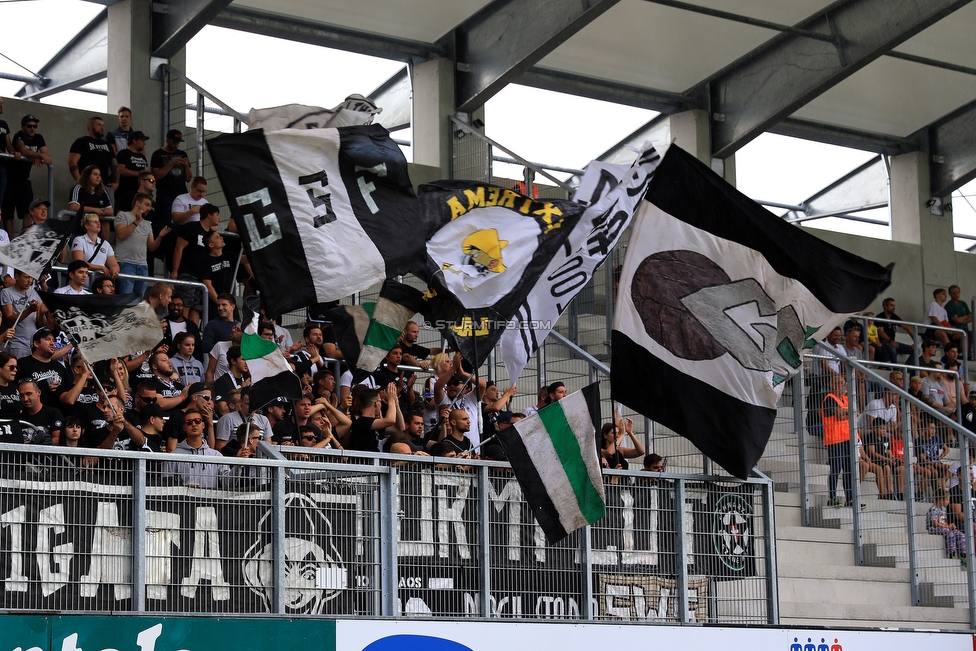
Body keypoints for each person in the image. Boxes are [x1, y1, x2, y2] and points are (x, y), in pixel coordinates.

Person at [171, 203, 220, 324]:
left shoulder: (210, 235)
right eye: (217, 215)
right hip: (188, 273)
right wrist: (175, 270)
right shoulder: (191, 227)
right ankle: (181, 333)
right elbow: (179, 248)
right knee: (185, 304)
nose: (219, 218)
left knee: (197, 307)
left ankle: (193, 335)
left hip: (201, 277)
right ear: (209, 215)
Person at [114, 191, 170, 296]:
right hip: (125, 263)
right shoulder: (123, 215)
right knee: (124, 299)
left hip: (143, 266)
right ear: (137, 203)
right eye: (147, 205)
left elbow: (151, 247)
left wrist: (160, 237)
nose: (149, 208)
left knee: (138, 302)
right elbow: (120, 235)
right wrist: (137, 221)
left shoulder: (147, 224)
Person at [6, 115, 52, 235]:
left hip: (24, 180)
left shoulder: (38, 138)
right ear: (23, 127)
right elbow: (23, 150)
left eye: (35, 126)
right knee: (8, 213)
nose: (32, 129)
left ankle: (25, 239)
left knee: (28, 211)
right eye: (29, 126)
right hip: (10, 179)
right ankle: (11, 242)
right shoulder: (19, 136)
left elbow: (46, 154)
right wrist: (37, 156)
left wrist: (37, 156)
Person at [163, 407, 227, 488]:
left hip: (209, 500)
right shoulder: (173, 456)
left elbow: (227, 483)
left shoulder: (216, 455)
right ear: (184, 428)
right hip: (184, 500)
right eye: (189, 422)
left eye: (197, 421)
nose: (193, 424)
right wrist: (184, 489)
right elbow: (166, 484)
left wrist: (238, 465)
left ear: (203, 425)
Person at [17, 328, 72, 409]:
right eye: (47, 339)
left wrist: (60, 388)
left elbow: (71, 389)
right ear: (36, 343)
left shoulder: (59, 366)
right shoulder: (22, 363)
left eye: (53, 340)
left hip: (58, 415)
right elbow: (15, 389)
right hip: (32, 414)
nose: (52, 343)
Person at [822, 375, 854, 507]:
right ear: (833, 386)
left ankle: (850, 499)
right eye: (840, 383)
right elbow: (841, 414)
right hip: (834, 440)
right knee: (836, 468)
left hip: (846, 439)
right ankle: (832, 497)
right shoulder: (830, 398)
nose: (844, 384)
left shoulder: (846, 399)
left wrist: (845, 412)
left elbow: (855, 412)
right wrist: (846, 412)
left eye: (844, 382)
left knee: (848, 470)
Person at [0, 269, 44, 358]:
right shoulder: (6, 292)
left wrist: (42, 313)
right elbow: (9, 320)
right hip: (17, 344)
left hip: (35, 344)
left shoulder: (34, 293)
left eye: (32, 277)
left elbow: (40, 324)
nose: (30, 281)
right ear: (16, 276)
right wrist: (30, 310)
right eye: (27, 277)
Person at [344, 384, 398, 452]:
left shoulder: (375, 423)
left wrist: (396, 406)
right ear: (376, 403)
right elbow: (391, 420)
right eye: (380, 401)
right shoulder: (361, 422)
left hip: (373, 461)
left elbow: (399, 428)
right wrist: (391, 400)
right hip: (363, 461)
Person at [71, 213, 120, 286]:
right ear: (86, 226)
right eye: (94, 222)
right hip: (83, 286)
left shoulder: (105, 244)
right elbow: (79, 262)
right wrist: (101, 267)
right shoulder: (79, 240)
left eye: (99, 221)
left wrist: (114, 270)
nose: (98, 223)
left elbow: (114, 264)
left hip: (100, 286)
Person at [68, 165, 114, 234]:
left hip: (96, 229)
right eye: (95, 174)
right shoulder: (78, 188)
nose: (98, 177)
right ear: (87, 176)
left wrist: (101, 212)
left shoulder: (103, 191)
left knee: (105, 221)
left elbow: (110, 210)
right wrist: (95, 210)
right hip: (78, 229)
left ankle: (104, 244)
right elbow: (73, 207)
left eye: (99, 175)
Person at [18, 380, 61, 445]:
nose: (25, 399)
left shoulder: (53, 413)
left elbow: (58, 439)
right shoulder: (19, 417)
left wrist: (33, 444)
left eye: (28, 394)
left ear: (39, 392)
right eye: (22, 395)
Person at [877, 297, 917, 367]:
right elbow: (880, 332)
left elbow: (907, 327)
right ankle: (896, 369)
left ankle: (905, 369)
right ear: (885, 306)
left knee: (917, 350)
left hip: (892, 341)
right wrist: (891, 341)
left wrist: (915, 342)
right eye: (891, 305)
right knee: (892, 348)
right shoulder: (879, 317)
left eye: (894, 305)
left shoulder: (894, 317)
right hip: (883, 341)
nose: (893, 307)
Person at [928, 490, 967, 561]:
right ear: (940, 500)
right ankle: (952, 554)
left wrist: (950, 526)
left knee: (960, 534)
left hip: (943, 528)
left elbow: (944, 522)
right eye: (947, 500)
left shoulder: (944, 509)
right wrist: (948, 527)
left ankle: (963, 554)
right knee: (950, 534)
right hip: (934, 528)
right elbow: (935, 524)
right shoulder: (933, 509)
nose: (948, 502)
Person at [0, 351, 20, 419]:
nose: (15, 370)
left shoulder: (16, 388)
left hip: (16, 427)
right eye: (12, 367)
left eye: (16, 367)